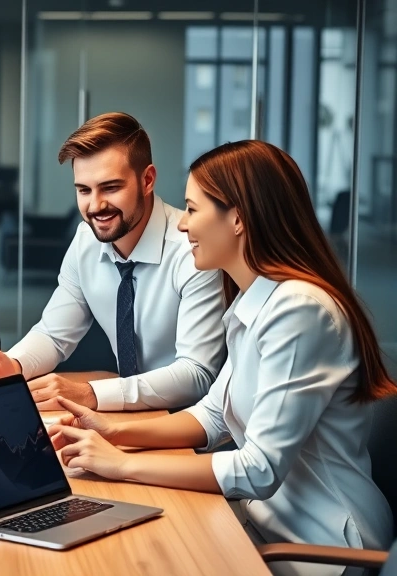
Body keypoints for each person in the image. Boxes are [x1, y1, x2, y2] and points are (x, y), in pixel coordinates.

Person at [48, 140, 396, 574]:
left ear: (237, 218)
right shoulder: (256, 301)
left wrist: (123, 464)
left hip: (319, 547)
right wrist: (114, 433)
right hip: (263, 521)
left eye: (193, 210)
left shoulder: (300, 311)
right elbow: (214, 417)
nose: (182, 224)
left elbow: (258, 469)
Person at [0, 112, 225, 411]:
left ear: (147, 180)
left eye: (110, 187)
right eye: (84, 190)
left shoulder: (193, 250)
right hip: (123, 413)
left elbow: (197, 374)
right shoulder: (86, 241)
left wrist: (90, 394)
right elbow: (54, 334)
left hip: (190, 421)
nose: (95, 206)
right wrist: (14, 365)